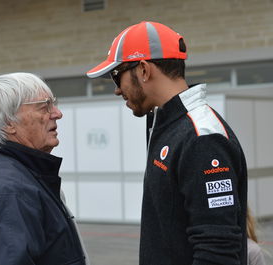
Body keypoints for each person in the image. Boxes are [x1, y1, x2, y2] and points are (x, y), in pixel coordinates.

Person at [87, 21, 247, 265]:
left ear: (143, 70)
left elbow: (218, 251)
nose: (117, 90)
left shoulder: (202, 137)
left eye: (116, 76)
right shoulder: (169, 125)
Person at [0, 73, 89, 265]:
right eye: (45, 106)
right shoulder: (10, 188)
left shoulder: (21, 174)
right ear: (8, 123)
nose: (57, 113)